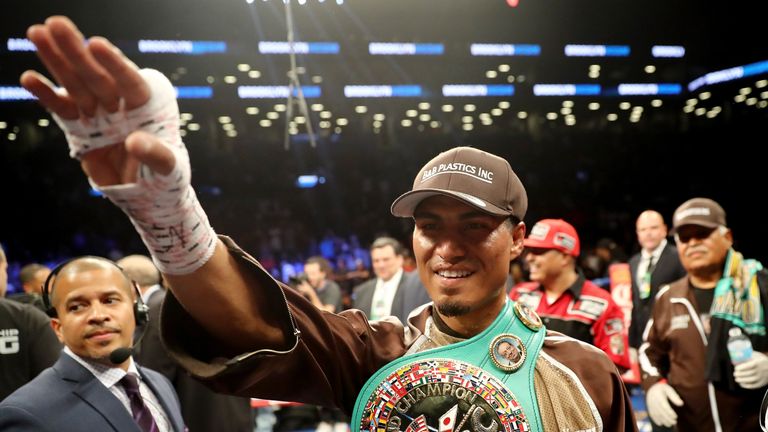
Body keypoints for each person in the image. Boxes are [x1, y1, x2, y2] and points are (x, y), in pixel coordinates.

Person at [20, 17, 636, 431]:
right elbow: (248, 324)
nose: (448, 247)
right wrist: (166, 213)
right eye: (430, 226)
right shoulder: (375, 350)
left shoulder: (585, 372)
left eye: (475, 226)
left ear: (518, 239)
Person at [0, 256, 185, 431]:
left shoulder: (160, 384)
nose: (98, 315)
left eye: (110, 300)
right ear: (58, 328)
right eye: (77, 307)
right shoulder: (25, 412)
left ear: (137, 310)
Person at [639, 198, 768, 431]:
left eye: (703, 234)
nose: (693, 243)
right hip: (691, 424)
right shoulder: (668, 297)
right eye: (685, 238)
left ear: (727, 237)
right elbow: (649, 352)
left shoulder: (759, 285)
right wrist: (654, 385)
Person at [117, 254, 254, 432]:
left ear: (130, 284)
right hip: (236, 417)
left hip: (195, 419)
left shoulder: (158, 310)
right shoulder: (221, 305)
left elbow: (155, 378)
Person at [510, 219, 631, 370]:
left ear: (565, 257)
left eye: (538, 252)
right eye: (529, 251)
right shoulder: (519, 295)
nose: (529, 258)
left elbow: (614, 368)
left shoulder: (602, 304)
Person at [0, 244, 61, 401]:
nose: (51, 288)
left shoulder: (32, 318)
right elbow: (56, 389)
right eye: (45, 283)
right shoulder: (29, 319)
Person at [628, 211, 686, 351]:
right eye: (643, 229)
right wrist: (632, 343)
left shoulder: (679, 256)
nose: (648, 233)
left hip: (672, 337)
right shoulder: (633, 262)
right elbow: (636, 304)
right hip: (642, 339)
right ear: (638, 234)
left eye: (653, 228)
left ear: (664, 230)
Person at [352, 236, 431, 323]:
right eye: (376, 261)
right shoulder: (362, 292)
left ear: (400, 259)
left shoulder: (417, 286)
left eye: (386, 259)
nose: (381, 265)